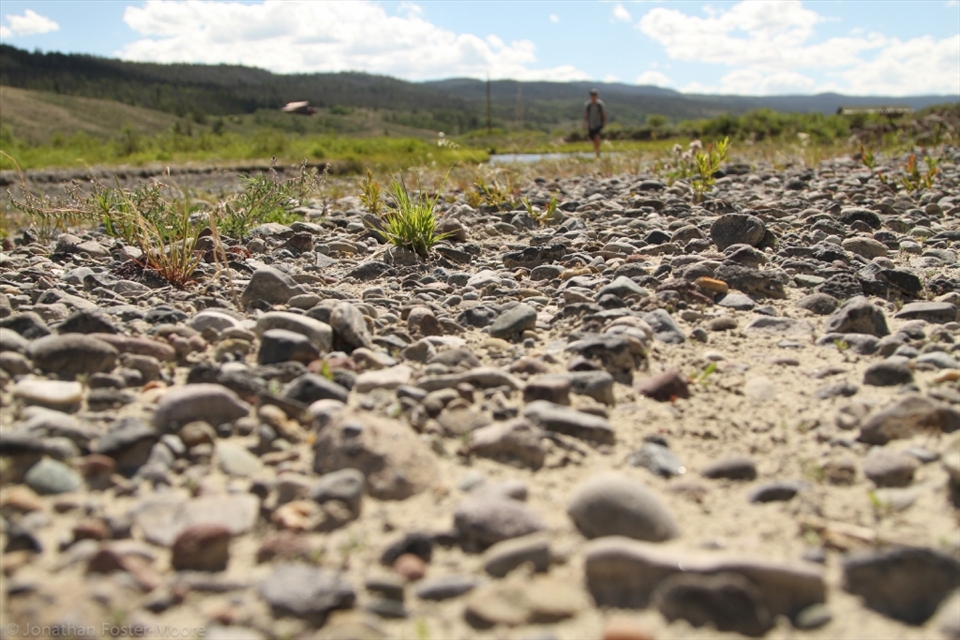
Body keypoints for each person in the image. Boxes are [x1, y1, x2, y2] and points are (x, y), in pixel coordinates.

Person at [583, 88, 606, 157]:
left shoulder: (600, 104)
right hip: (591, 124)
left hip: (598, 124)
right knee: (593, 139)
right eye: (592, 95)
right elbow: (586, 115)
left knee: (597, 137)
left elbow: (603, 114)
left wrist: (603, 123)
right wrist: (584, 124)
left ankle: (597, 152)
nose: (593, 96)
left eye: (595, 95)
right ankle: (596, 151)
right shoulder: (588, 105)